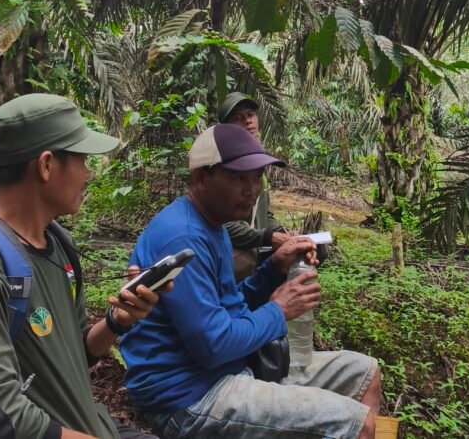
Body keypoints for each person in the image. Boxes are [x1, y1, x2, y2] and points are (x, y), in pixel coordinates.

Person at [0, 93, 166, 439]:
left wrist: (117, 321)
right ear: (46, 165)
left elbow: (74, 355)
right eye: (82, 160)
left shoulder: (59, 246)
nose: (88, 173)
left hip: (90, 425)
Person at [119, 123, 382, 438]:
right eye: (237, 178)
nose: (252, 189)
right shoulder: (183, 236)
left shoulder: (214, 226)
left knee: (365, 372)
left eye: (257, 177)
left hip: (227, 370)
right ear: (201, 177)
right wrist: (279, 310)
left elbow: (225, 310)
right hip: (189, 396)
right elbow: (213, 346)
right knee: (357, 422)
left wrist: (273, 270)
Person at [217, 92, 292, 281]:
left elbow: (264, 214)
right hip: (230, 247)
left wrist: (283, 233)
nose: (248, 121)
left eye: (250, 115)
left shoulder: (257, 160)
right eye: (238, 118)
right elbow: (222, 224)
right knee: (245, 260)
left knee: (311, 249)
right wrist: (267, 237)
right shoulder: (220, 162)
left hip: (254, 242)